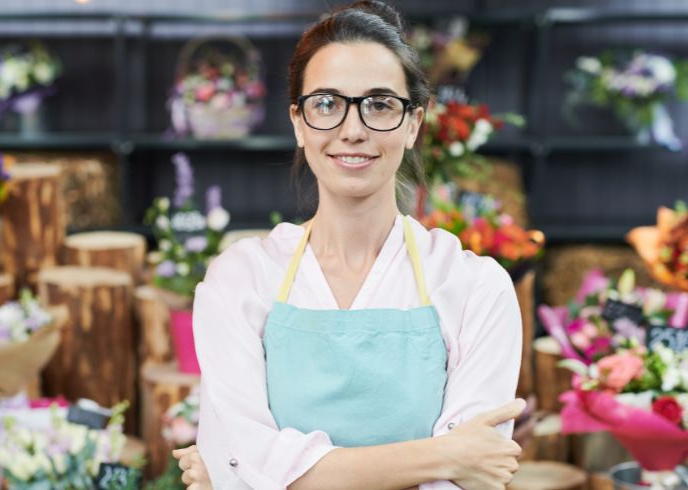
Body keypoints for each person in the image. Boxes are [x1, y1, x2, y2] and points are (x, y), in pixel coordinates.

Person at [174, 1, 525, 488]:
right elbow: (235, 461)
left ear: (413, 123)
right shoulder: (241, 279)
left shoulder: (474, 288)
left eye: (380, 104)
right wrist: (442, 456)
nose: (353, 130)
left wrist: (276, 474)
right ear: (298, 123)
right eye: (326, 104)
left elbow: (470, 478)